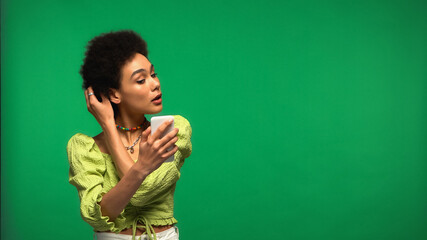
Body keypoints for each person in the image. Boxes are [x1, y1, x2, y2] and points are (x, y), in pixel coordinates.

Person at [66, 30, 192, 240]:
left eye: (153, 74)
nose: (155, 83)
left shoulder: (172, 130)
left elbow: (144, 193)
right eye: (141, 80)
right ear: (115, 94)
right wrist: (109, 127)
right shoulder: (83, 147)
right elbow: (96, 216)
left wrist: (111, 133)